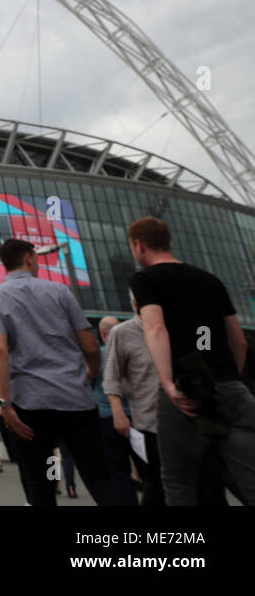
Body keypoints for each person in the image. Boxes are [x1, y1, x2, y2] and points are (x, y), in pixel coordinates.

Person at [126, 216, 255, 506]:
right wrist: (230, 376)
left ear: (139, 245)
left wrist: (168, 383)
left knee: (178, 480)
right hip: (232, 389)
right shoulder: (210, 280)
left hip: (186, 392)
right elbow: (239, 340)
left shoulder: (145, 279)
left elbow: (155, 329)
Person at [0, 238, 122, 505]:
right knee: (99, 479)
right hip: (76, 399)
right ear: (29, 258)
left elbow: (0, 351)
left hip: (30, 404)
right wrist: (90, 375)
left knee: (40, 485)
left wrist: (5, 403)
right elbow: (91, 347)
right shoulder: (60, 292)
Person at [104, 291, 163, 506]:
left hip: (181, 419)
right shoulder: (123, 332)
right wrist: (118, 412)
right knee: (155, 483)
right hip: (146, 423)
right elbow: (111, 377)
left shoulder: (174, 328)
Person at [92, 315, 138, 505]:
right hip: (138, 416)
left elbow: (88, 379)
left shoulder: (99, 355)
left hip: (108, 417)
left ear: (103, 333)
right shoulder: (134, 351)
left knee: (118, 471)